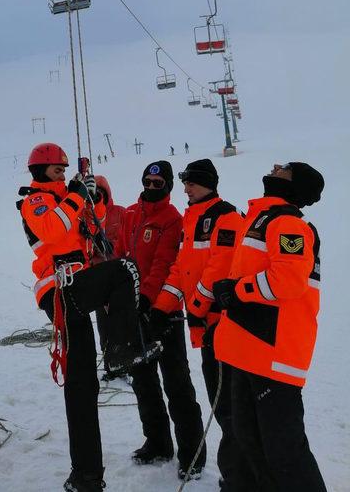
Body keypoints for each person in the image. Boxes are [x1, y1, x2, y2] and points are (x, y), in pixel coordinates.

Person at [18, 143, 142, 492]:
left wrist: (95, 195)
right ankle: (119, 351)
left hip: (76, 288)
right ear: (41, 171)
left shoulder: (67, 200)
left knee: (82, 385)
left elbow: (95, 224)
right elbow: (52, 231)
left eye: (64, 170)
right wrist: (74, 195)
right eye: (57, 170)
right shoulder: (35, 201)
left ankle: (86, 475)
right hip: (59, 288)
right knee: (124, 271)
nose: (62, 173)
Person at [213, 162, 327, 491]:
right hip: (248, 350)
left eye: (285, 169)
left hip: (273, 355)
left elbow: (288, 281)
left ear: (294, 185)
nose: (276, 167)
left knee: (284, 451)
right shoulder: (261, 220)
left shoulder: (289, 224)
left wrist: (234, 292)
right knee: (251, 445)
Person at [150, 159, 250, 488]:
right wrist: (161, 308)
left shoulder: (227, 217)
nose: (186, 188)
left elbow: (219, 268)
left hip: (223, 325)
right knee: (221, 405)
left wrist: (195, 306)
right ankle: (239, 476)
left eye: (191, 182)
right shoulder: (193, 220)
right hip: (205, 327)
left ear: (208, 182)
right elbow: (181, 269)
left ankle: (242, 477)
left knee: (231, 410)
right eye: (185, 182)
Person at [117, 162, 205, 478]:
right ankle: (157, 442)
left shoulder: (173, 221)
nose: (152, 186)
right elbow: (120, 255)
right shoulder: (130, 214)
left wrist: (148, 300)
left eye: (159, 182)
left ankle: (192, 454)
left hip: (164, 313)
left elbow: (165, 263)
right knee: (143, 381)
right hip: (133, 312)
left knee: (177, 383)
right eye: (148, 181)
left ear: (168, 185)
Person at [91, 175, 125, 372]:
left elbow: (129, 239)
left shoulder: (120, 213)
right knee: (104, 325)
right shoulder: (86, 216)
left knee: (122, 322)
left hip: (119, 278)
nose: (98, 197)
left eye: (101, 194)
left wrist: (112, 245)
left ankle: (125, 362)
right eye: (95, 194)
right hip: (99, 279)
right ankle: (110, 365)